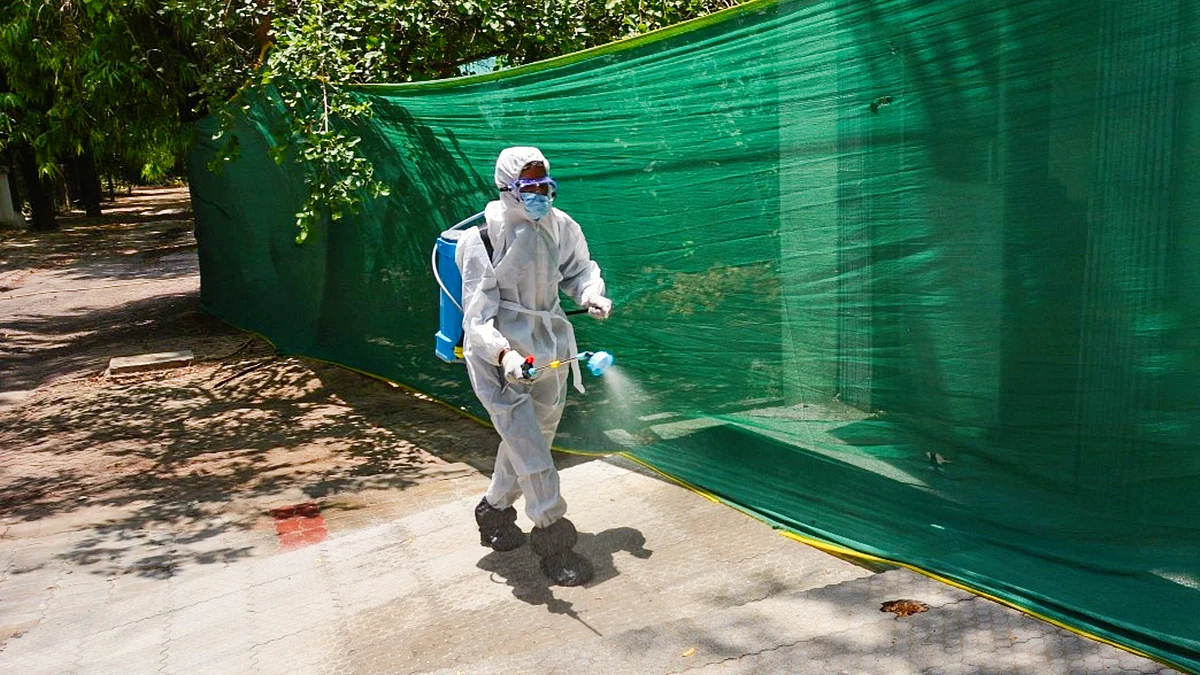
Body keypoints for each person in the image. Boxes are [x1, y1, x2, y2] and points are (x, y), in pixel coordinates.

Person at [456, 147, 613, 586]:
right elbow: (478, 316)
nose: (540, 195)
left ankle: (494, 510)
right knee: (531, 449)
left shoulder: (561, 226)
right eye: (530, 187)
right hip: (499, 359)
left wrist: (589, 295)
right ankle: (555, 542)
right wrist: (503, 355)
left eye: (545, 186)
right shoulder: (482, 239)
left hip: (550, 349)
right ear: (508, 188)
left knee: (531, 442)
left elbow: (578, 270)